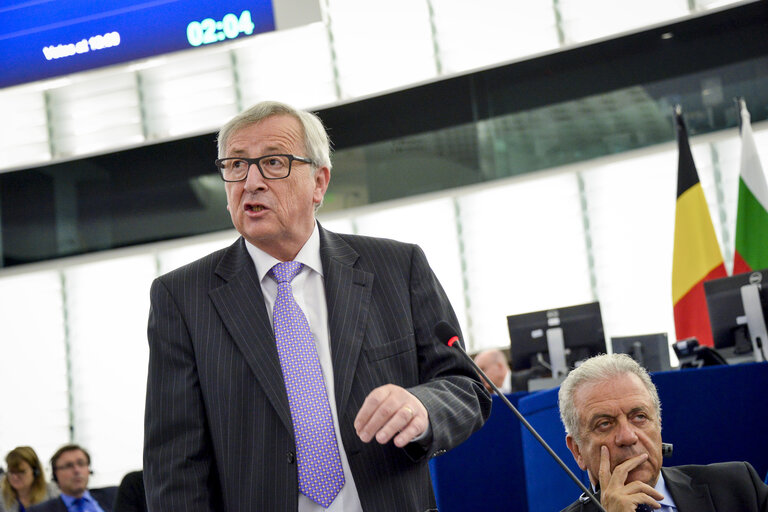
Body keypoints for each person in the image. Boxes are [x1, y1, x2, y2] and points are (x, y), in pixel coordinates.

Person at [143, 100, 491, 511]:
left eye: (273, 163)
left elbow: (465, 387)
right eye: (235, 165)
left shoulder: (397, 268)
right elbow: (174, 465)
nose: (250, 182)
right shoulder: (182, 297)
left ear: (319, 182)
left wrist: (423, 406)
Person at [558, 353, 768, 511]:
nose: (628, 437)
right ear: (577, 451)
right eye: (605, 424)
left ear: (658, 424)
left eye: (639, 417)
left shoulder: (738, 486)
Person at [28, 444, 116, 512]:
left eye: (81, 464)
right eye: (68, 466)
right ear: (56, 474)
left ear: (89, 469)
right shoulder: (41, 510)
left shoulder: (114, 495)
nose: (76, 470)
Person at [1, 447, 58, 512]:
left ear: (35, 471)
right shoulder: (2, 497)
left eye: (21, 472)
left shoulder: (52, 492)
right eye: (11, 472)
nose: (15, 477)